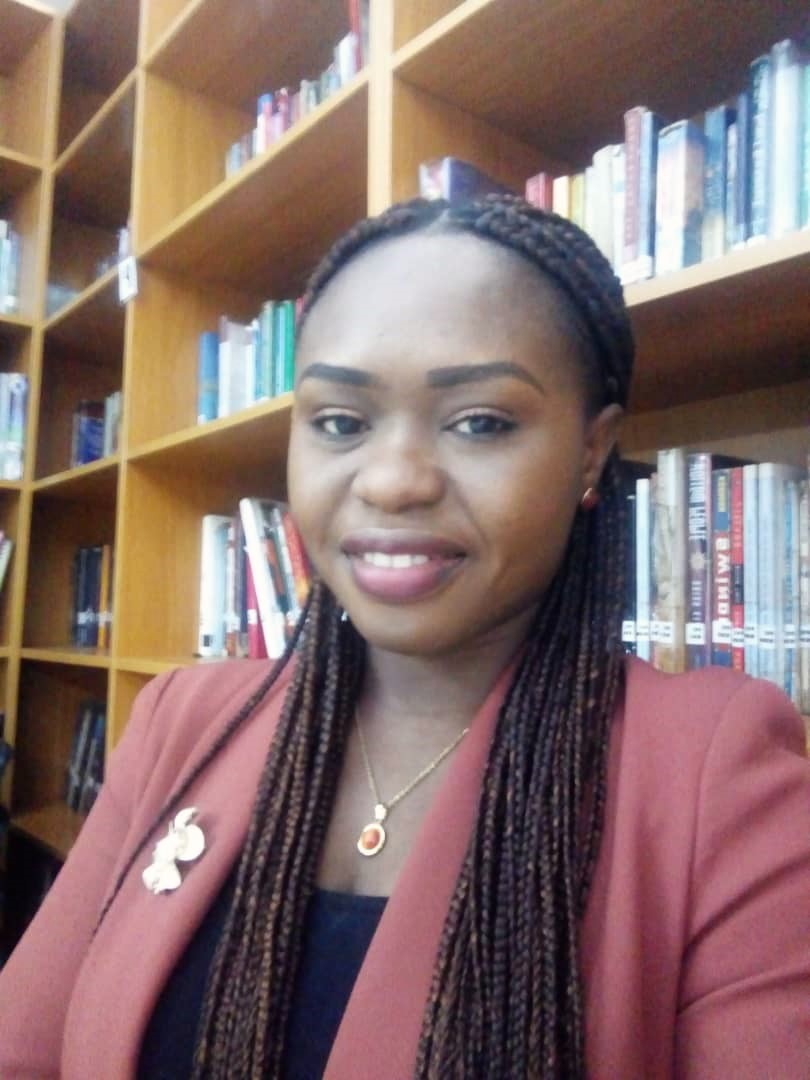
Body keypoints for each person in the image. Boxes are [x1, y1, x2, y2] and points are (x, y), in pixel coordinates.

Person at [0, 195, 808, 1079]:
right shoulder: (182, 722)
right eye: (341, 422)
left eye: (480, 422)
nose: (390, 483)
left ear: (590, 450)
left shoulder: (720, 773)